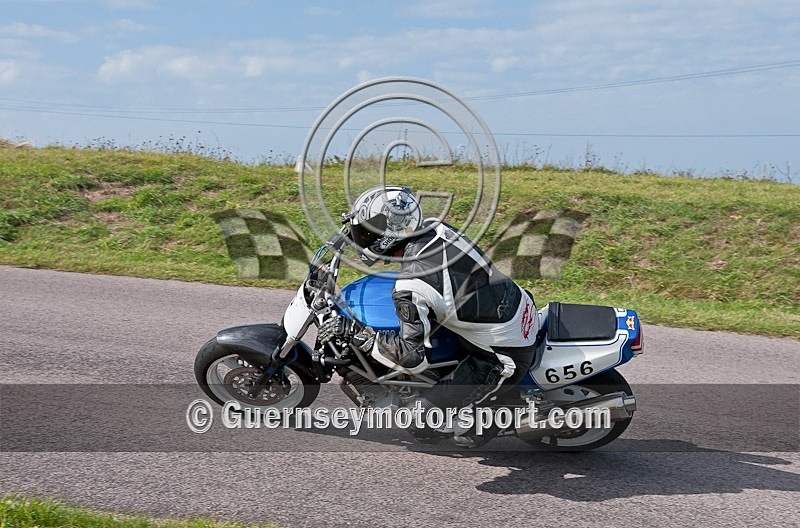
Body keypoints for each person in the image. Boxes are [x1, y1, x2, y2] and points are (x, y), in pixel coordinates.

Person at [320, 185, 539, 447]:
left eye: (366, 233)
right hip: (512, 305)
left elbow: (412, 359)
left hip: (501, 355)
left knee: (419, 423)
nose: (361, 238)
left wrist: (358, 335)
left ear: (387, 235)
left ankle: (486, 421)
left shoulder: (412, 284)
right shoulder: (435, 228)